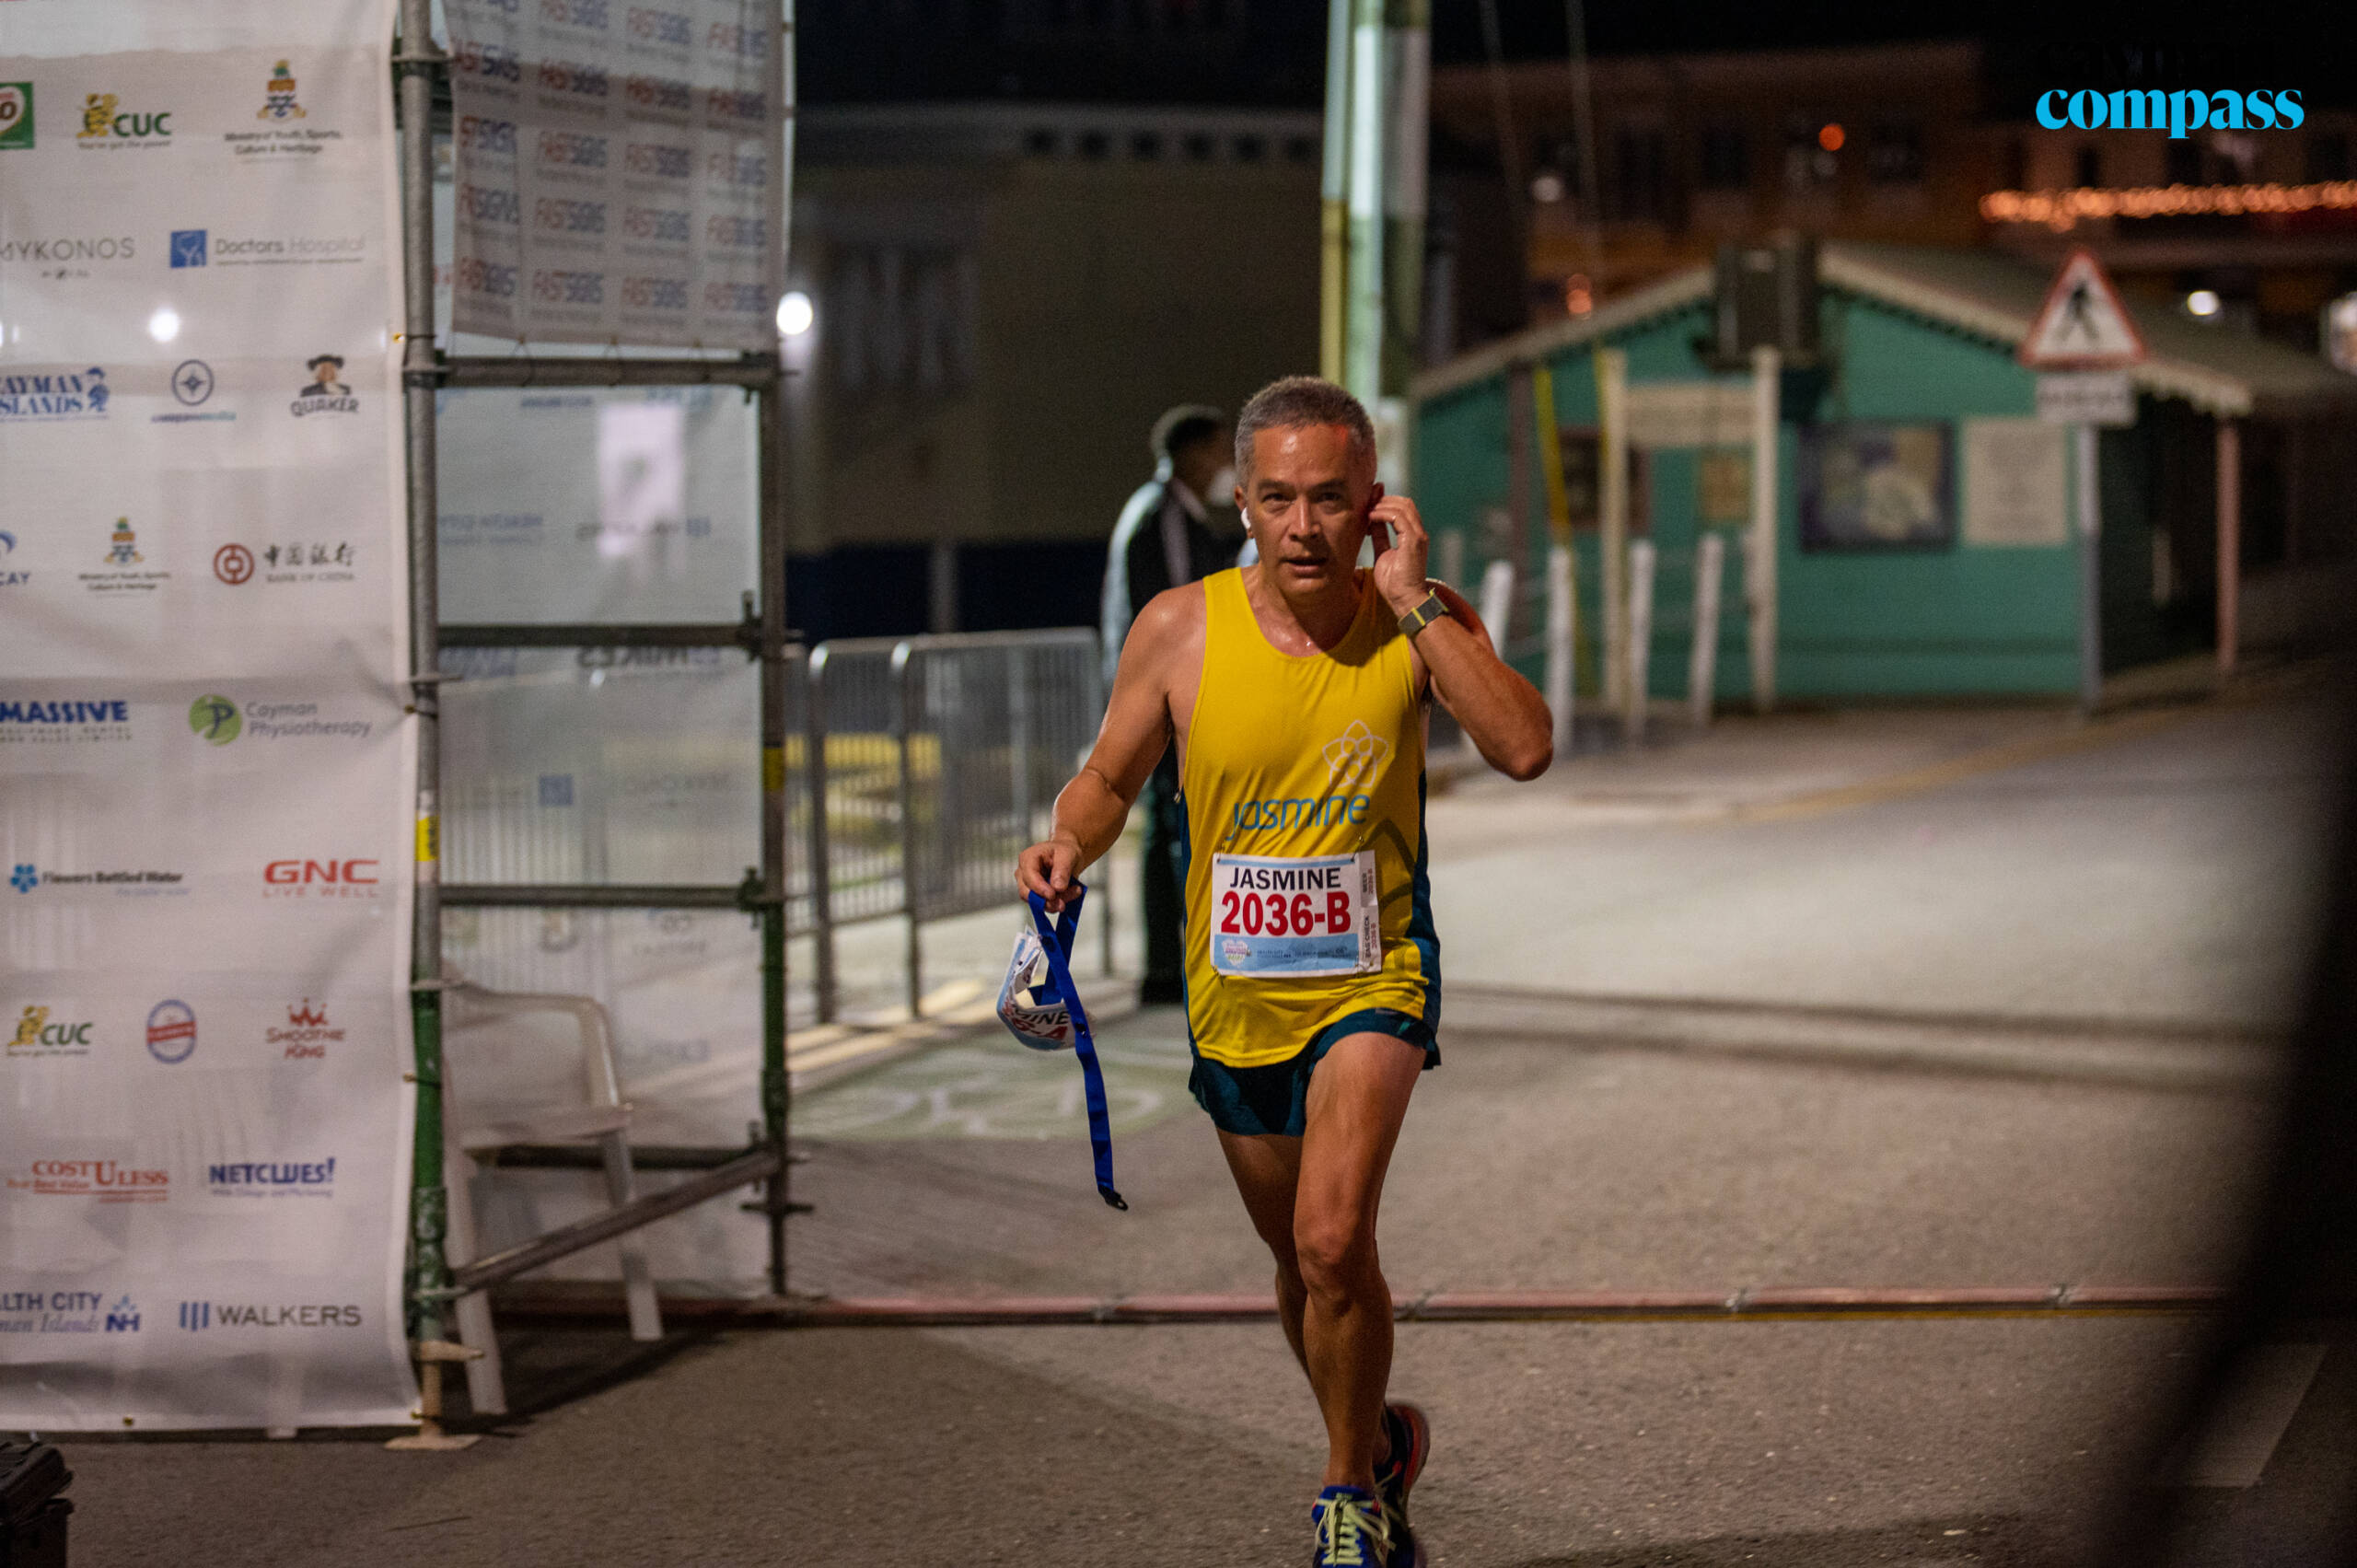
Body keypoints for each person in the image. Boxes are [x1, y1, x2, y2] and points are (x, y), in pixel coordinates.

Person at [1022, 376, 1552, 1566]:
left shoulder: (1413, 616)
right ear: (1245, 507)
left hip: (1374, 976)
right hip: (1237, 990)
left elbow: (1522, 743)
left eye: (1328, 497)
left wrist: (1419, 607)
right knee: (1303, 1264)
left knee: (1327, 1238)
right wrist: (1066, 839)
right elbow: (1106, 782)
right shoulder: (1180, 627)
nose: (1304, 523)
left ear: (1374, 502)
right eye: (1277, 498)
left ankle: (1340, 1495)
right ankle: (1372, 1447)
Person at [1100, 402, 1242, 1005]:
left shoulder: (1157, 511)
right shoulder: (1165, 518)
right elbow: (1184, 615)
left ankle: (1171, 962)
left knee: (1167, 827)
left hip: (1151, 695)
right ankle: (1169, 965)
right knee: (1171, 827)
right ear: (1189, 454)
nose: (1224, 463)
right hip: (1164, 700)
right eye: (1217, 450)